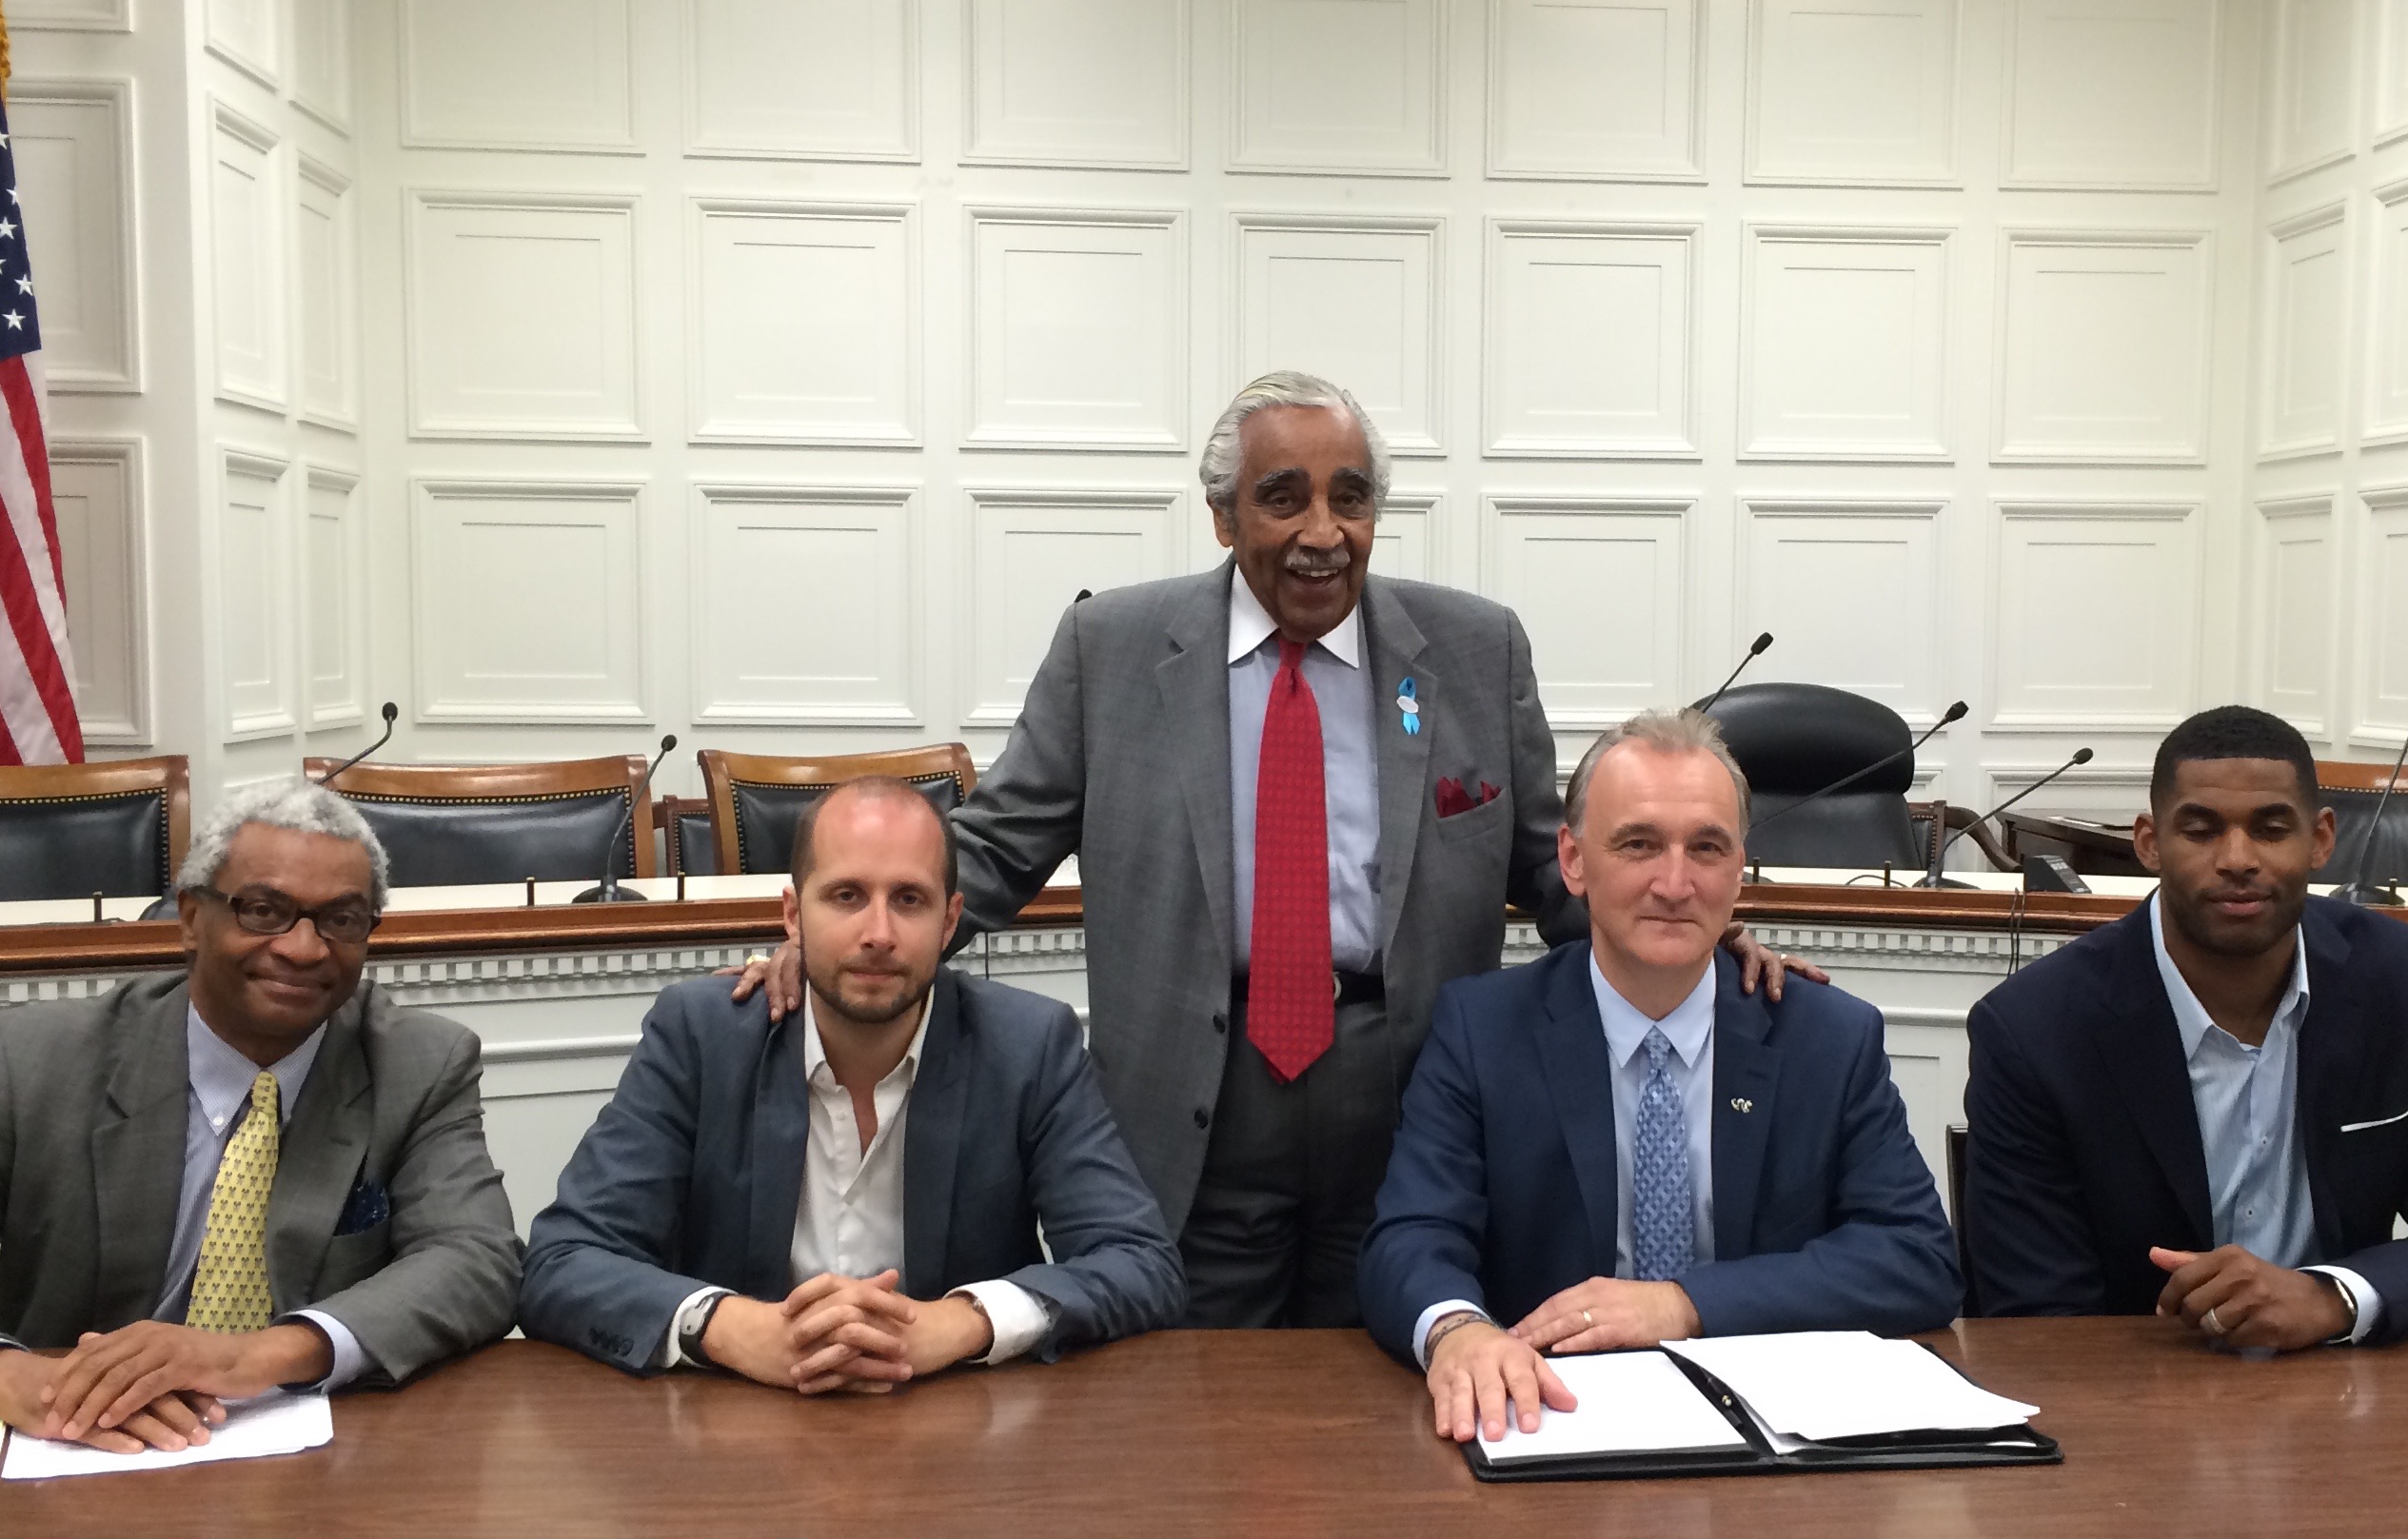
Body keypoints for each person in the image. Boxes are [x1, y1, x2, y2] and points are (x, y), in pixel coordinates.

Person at [735, 371, 1807, 1331]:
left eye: (1351, 498)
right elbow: (999, 846)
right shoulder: (1112, 649)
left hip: (1413, 1099)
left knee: (1394, 1386)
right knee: (1188, 1404)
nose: (1322, 531)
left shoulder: (1476, 649)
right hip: (1193, 1099)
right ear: (1222, 515)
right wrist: (844, 936)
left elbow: (1554, 864)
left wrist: (1699, 947)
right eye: (1283, 497)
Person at [0, 779, 519, 1447]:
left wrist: (252, 1356)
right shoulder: (34, 1064)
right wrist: (7, 1377)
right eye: (263, 910)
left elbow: (477, 1259)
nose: (303, 949)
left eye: (341, 920)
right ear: (190, 918)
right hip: (79, 1451)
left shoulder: (418, 1063)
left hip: (317, 1457)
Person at [1357, 708, 1963, 1443]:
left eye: (1706, 848)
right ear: (1574, 861)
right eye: (1639, 844)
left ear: (1739, 868)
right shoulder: (1483, 1030)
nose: (1674, 884)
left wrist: (1683, 1303)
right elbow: (1411, 1236)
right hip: (1550, 1425)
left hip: (1773, 1445)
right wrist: (1457, 1331)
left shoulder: (1827, 1039)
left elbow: (1915, 1258)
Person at [521, 779, 1181, 1389]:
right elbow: (563, 1261)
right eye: (846, 896)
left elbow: (1139, 1261)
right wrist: (732, 1328)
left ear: (950, 921)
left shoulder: (1029, 1046)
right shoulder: (701, 1036)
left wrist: (960, 1322)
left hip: (960, 1435)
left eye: (909, 900)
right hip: (736, 1432)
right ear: (792, 915)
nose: (878, 934)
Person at [1964, 702, 2408, 1347]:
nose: (2237, 859)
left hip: (2342, 1380)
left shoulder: (2401, 982)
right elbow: (2037, 1319)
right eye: (2201, 831)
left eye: (2271, 830)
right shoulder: (2034, 1029)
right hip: (2135, 1386)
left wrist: (2332, 1297)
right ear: (2149, 844)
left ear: (2321, 839)